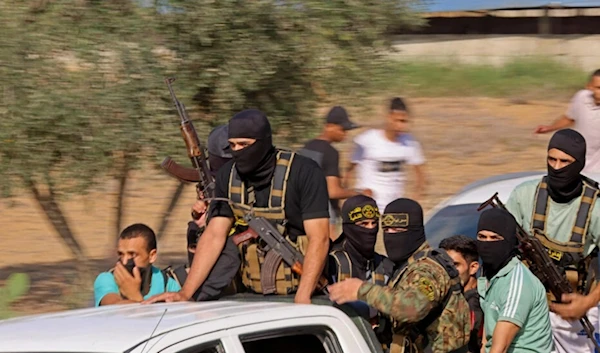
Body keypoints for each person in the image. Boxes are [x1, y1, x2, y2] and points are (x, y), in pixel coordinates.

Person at [146, 109, 330, 305]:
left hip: (304, 291)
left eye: (244, 144)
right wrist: (186, 293)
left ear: (264, 142)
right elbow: (214, 235)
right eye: (233, 145)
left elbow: (320, 238)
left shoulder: (304, 172)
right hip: (250, 294)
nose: (238, 151)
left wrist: (303, 297)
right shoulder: (228, 176)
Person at [328, 198, 470, 353]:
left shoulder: (427, 269)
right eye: (387, 230)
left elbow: (413, 308)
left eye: (398, 231)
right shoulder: (407, 265)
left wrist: (362, 290)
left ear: (414, 231)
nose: (391, 236)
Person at [506, 128, 600, 353]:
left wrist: (587, 303)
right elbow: (498, 246)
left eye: (565, 161)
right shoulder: (525, 196)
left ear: (579, 164)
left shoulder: (595, 207)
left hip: (577, 316)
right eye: (551, 159)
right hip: (527, 310)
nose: (556, 167)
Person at [476, 208, 553, 353]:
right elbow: (488, 339)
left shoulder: (517, 283)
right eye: (482, 237)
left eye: (495, 238)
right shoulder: (490, 275)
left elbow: (500, 347)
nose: (487, 244)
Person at [299, 106, 367, 239]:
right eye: (342, 129)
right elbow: (332, 191)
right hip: (323, 214)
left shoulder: (306, 147)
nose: (345, 134)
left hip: (302, 211)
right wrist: (359, 193)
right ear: (329, 126)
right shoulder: (330, 152)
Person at [348, 97, 426, 212]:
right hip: (367, 207)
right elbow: (349, 171)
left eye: (404, 121)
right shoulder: (367, 139)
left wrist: (415, 200)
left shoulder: (410, 142)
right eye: (397, 120)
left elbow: (421, 176)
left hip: (394, 209)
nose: (401, 126)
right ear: (388, 117)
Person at [93, 223, 181, 306]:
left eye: (132, 254)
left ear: (152, 256)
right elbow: (113, 306)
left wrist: (134, 295)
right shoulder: (107, 279)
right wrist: (132, 293)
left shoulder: (167, 283)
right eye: (121, 254)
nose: (124, 262)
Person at [535, 69, 600, 174]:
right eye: (598, 88)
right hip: (576, 162)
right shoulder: (581, 98)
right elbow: (570, 118)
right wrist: (549, 128)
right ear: (589, 86)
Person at [439, 235, 482, 353]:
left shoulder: (475, 303)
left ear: (473, 268)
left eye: (455, 265)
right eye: (445, 265)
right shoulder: (450, 295)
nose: (448, 270)